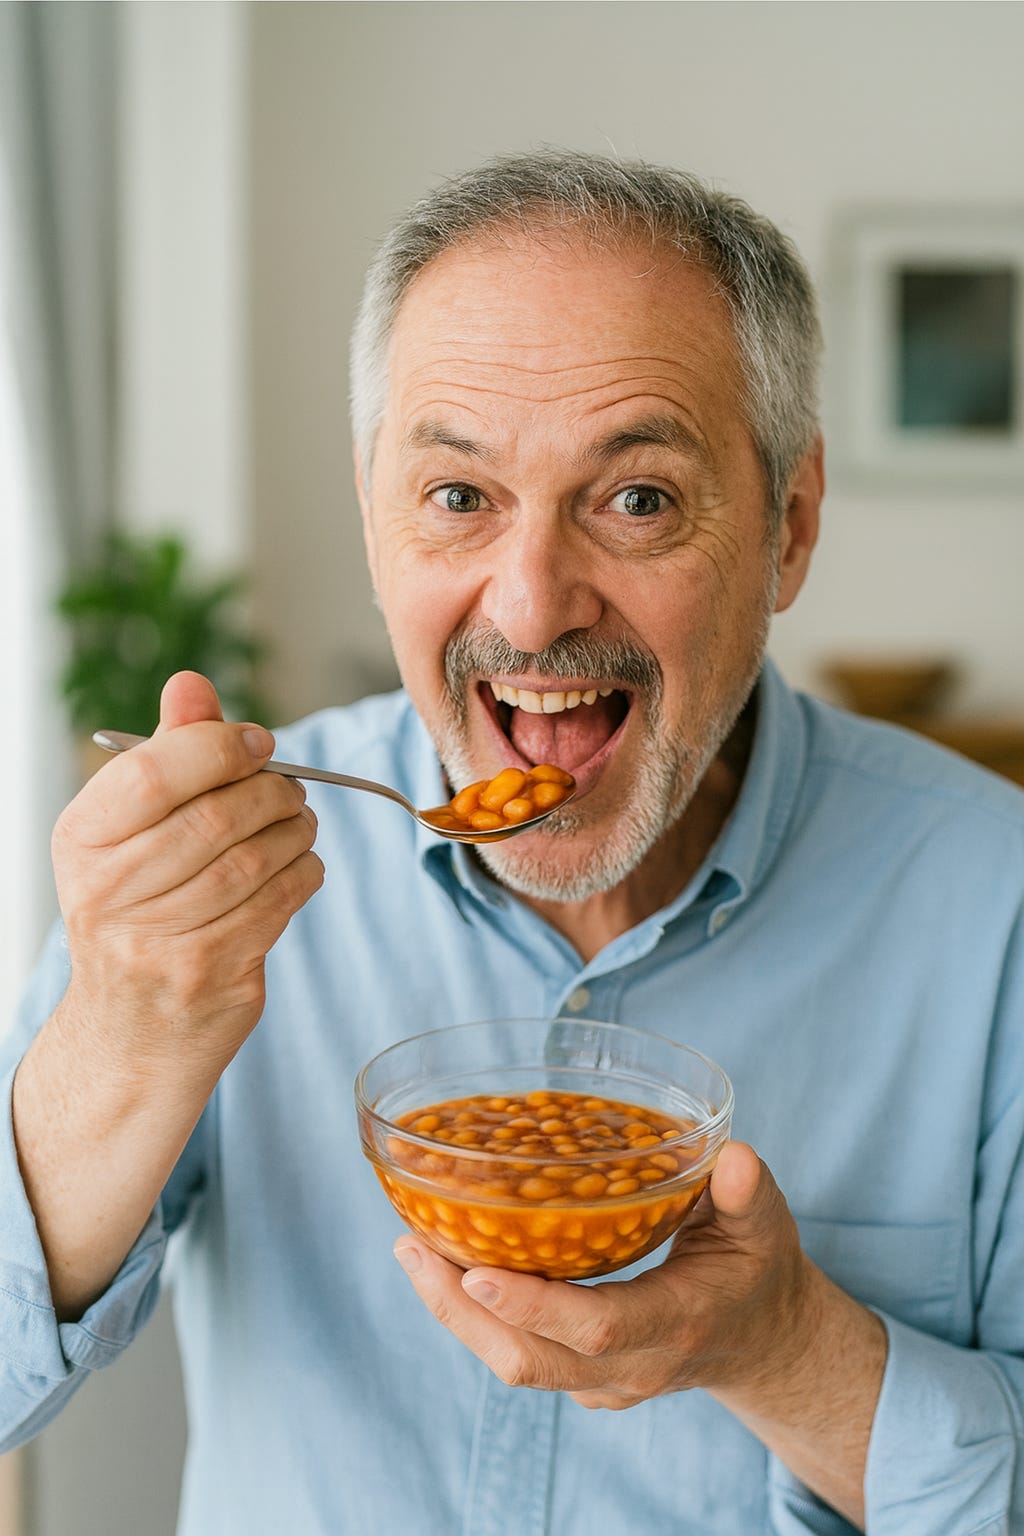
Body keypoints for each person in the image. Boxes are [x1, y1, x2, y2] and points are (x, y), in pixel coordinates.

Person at [2, 151, 1023, 1536]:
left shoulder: (996, 905)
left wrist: (787, 1349)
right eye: (460, 497)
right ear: (376, 517)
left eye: (639, 497)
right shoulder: (215, 880)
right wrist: (121, 1036)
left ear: (787, 528)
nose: (534, 608)